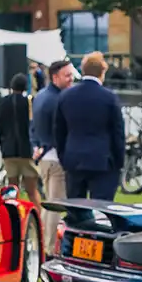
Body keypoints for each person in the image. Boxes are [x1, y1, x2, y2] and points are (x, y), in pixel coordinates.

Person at [54, 51, 126, 205]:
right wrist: (119, 162)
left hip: (73, 159)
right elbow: (117, 133)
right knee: (102, 209)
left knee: (75, 209)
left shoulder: (66, 96)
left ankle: (74, 229)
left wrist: (64, 157)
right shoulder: (109, 98)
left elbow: (59, 132)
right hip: (102, 161)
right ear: (102, 72)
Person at [32, 58, 74, 255]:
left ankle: (42, 245)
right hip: (55, 157)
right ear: (55, 77)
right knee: (55, 205)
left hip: (44, 156)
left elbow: (32, 126)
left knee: (49, 204)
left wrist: (37, 146)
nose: (71, 79)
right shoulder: (59, 100)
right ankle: (50, 249)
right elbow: (61, 130)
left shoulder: (40, 96)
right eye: (67, 75)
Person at [0, 73, 40, 207]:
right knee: (32, 191)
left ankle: (13, 218)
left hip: (9, 151)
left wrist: (3, 147)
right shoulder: (30, 102)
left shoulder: (3, 102)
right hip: (26, 151)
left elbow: (0, 128)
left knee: (12, 190)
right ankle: (39, 219)